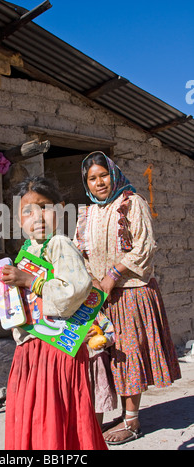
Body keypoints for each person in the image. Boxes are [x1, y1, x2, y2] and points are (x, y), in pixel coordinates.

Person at [74, 151, 181, 445]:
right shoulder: (87, 213)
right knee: (103, 357)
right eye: (92, 178)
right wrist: (91, 279)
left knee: (128, 356)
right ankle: (107, 413)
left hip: (131, 293)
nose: (99, 183)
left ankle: (132, 421)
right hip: (100, 297)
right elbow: (78, 251)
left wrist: (111, 274)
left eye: (103, 175)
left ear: (114, 174)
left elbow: (144, 247)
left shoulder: (132, 202)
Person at [1, 176, 108, 451]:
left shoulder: (59, 243)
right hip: (33, 347)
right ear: (17, 220)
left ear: (60, 210)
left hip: (57, 351)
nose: (36, 216)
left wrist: (29, 281)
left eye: (44, 207)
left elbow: (75, 288)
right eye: (27, 211)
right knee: (37, 412)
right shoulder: (29, 250)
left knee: (53, 413)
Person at [85, 309, 117, 429]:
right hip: (76, 362)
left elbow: (110, 331)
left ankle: (97, 428)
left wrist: (104, 341)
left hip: (95, 359)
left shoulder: (94, 311)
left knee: (97, 396)